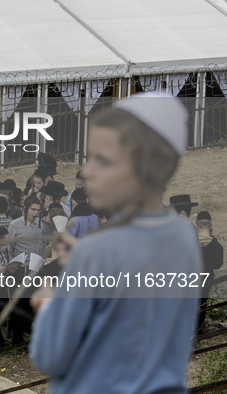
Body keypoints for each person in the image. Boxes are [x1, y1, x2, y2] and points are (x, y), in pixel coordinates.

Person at [30, 94, 203, 394]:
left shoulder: (95, 252)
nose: (86, 172)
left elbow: (50, 356)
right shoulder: (182, 234)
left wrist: (48, 304)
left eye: (103, 160)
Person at [195, 211, 224, 332]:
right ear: (211, 225)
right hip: (207, 279)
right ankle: (198, 329)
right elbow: (218, 265)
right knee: (202, 303)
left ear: (196, 225)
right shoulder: (217, 246)